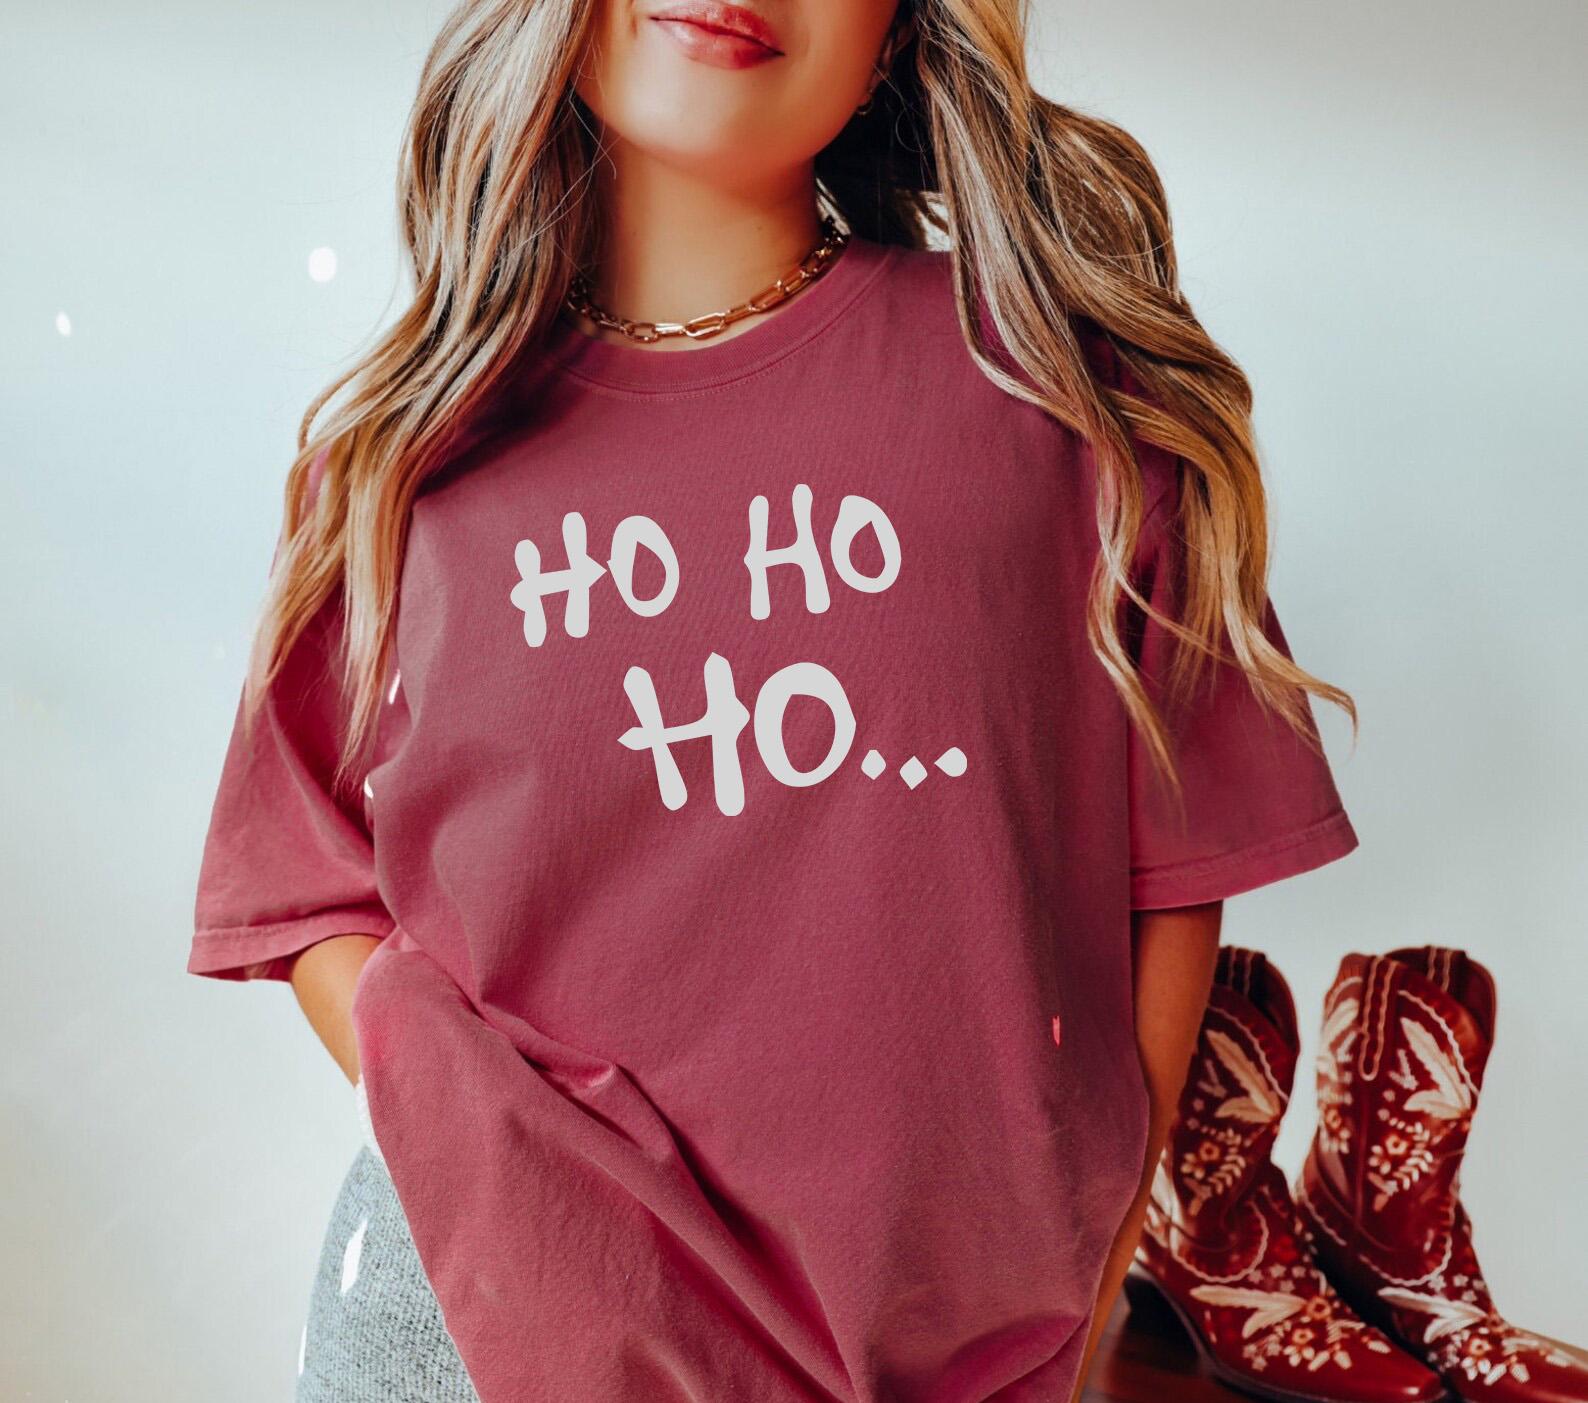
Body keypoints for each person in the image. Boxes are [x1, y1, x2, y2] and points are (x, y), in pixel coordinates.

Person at [187, 1, 1360, 1399]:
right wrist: (487, 1151)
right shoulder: (404, 460)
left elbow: (1171, 866)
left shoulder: (1055, 397)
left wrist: (1092, 1263)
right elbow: (300, 883)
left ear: (901, 31)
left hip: (940, 1357)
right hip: (470, 1332)